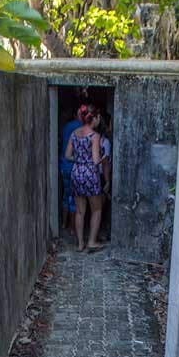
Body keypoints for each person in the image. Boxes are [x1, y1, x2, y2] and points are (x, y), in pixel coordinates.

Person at [65, 103, 104, 252]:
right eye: (98, 117)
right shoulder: (95, 136)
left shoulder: (74, 133)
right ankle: (92, 242)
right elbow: (95, 160)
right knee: (96, 209)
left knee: (80, 211)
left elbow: (67, 155)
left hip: (76, 172)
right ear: (93, 118)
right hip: (90, 174)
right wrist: (103, 157)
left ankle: (80, 244)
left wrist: (79, 159)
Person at [60, 107, 81, 231]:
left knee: (65, 196)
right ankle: (73, 229)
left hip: (64, 165)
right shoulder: (81, 127)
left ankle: (63, 224)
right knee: (74, 200)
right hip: (74, 166)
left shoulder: (66, 126)